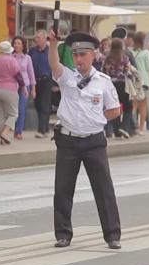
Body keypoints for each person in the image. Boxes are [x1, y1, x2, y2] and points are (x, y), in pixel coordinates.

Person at [47, 28, 123, 250]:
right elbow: (54, 65)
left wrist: (96, 118)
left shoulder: (103, 81)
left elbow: (115, 110)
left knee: (104, 188)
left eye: (82, 54)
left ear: (93, 55)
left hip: (94, 141)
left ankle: (112, 235)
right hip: (69, 140)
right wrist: (53, 45)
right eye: (75, 55)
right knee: (63, 189)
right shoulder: (67, 77)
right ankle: (63, 234)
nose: (78, 59)